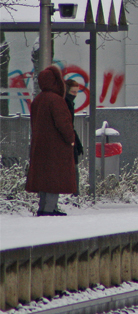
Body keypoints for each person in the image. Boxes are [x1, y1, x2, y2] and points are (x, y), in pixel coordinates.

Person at [25, 65, 77, 216]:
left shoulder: (38, 100)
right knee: (55, 179)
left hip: (40, 146)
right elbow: (63, 124)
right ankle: (50, 209)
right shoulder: (56, 100)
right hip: (56, 147)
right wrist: (71, 139)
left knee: (44, 178)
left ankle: (43, 207)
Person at [64, 79, 85, 194]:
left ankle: (73, 193)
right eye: (73, 92)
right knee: (73, 168)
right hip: (68, 140)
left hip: (69, 138)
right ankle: (74, 194)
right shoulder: (66, 103)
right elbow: (69, 126)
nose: (75, 95)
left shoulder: (67, 102)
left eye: (76, 92)